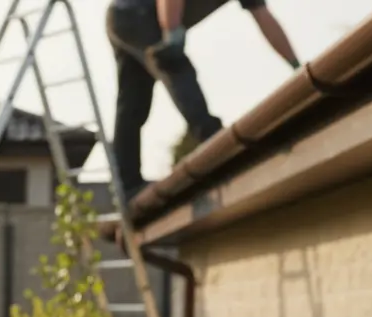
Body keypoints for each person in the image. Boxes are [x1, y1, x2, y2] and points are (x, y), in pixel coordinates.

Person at [106, 0, 300, 205]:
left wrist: (295, 66)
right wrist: (171, 31)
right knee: (174, 66)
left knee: (133, 103)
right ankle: (214, 142)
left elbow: (263, 17)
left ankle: (126, 185)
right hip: (135, 13)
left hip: (126, 17)